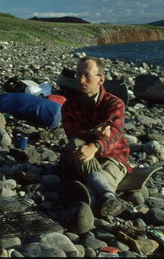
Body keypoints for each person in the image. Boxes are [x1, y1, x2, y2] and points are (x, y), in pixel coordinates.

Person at [59, 57, 131, 217]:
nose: (81, 80)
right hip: (80, 154)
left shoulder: (115, 104)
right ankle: (106, 195)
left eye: (87, 75)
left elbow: (115, 134)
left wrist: (95, 146)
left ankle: (90, 199)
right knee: (76, 143)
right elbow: (72, 133)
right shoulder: (69, 106)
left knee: (107, 174)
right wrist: (92, 134)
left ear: (101, 79)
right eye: (78, 75)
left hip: (112, 156)